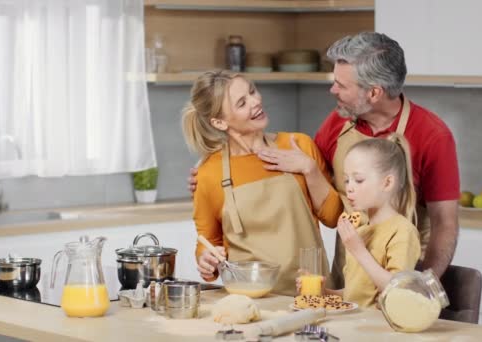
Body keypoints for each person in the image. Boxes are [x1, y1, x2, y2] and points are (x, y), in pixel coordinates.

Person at [189, 32, 460, 285]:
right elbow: (318, 193)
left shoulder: (432, 136)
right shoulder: (336, 125)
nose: (332, 91)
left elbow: (445, 223)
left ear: (374, 93)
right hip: (347, 277)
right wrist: (209, 178)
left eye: (341, 85)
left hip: (404, 276)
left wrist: (425, 284)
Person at [181, 70, 342, 296]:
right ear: (219, 122)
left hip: (310, 294)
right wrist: (206, 261)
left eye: (252, 91)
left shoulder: (298, 145)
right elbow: (208, 242)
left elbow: (334, 218)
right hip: (250, 299)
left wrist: (309, 168)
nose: (256, 101)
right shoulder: (208, 173)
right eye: (242, 102)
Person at [299, 135, 421, 307]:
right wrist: (325, 293)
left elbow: (397, 290)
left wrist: (358, 250)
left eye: (359, 180)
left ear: (387, 183)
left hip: (379, 330)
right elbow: (356, 295)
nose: (349, 187)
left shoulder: (402, 231)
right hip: (355, 324)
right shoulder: (362, 231)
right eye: (347, 180)